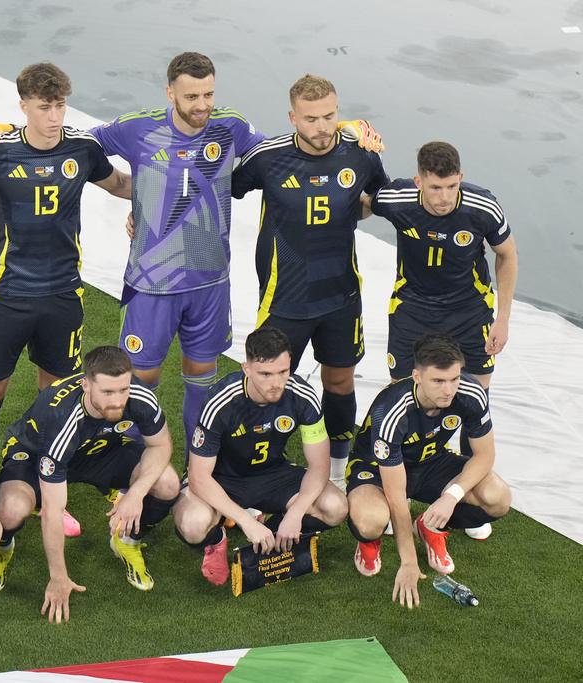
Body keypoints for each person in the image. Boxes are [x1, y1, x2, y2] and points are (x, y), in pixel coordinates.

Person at [94, 55, 381, 466]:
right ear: (170, 93)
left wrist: (344, 129)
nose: (202, 104)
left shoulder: (231, 126)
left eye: (208, 94)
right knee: (141, 380)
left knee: (202, 378)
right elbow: (80, 147)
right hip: (152, 280)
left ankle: (197, 469)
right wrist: (134, 194)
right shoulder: (136, 127)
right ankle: (133, 468)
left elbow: (288, 152)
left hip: (210, 280)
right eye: (192, 96)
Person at [0, 62, 131, 443]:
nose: (54, 117)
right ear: (24, 106)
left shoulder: (82, 149)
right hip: (7, 294)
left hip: (62, 294)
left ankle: (42, 465)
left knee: (55, 395)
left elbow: (119, 184)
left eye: (60, 106)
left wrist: (170, 188)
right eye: (44, 107)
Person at [230, 74, 390, 488]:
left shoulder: (361, 154)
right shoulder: (267, 158)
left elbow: (379, 199)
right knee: (267, 383)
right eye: (311, 119)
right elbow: (220, 189)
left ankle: (337, 469)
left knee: (339, 381)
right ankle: (254, 467)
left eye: (330, 116)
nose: (322, 127)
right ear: (292, 118)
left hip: (341, 295)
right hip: (284, 298)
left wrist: (355, 207)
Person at [0, 346, 178, 623]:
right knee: (11, 509)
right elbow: (53, 511)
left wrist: (136, 494)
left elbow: (161, 445)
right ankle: (2, 547)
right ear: (86, 385)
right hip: (37, 454)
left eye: (123, 390)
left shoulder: (139, 395)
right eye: (107, 392)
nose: (118, 401)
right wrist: (58, 577)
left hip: (101, 449)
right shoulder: (62, 420)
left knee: (167, 483)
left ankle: (127, 540)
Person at [368, 142, 517, 477]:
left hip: (469, 310)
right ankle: (400, 477)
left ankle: (470, 482)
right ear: (418, 181)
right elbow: (363, 203)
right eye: (435, 187)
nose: (445, 197)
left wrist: (504, 318)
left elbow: (507, 254)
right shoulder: (397, 199)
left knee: (475, 393)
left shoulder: (482, 206)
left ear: (461, 178)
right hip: (413, 308)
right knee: (403, 392)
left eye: (452, 186)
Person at [345, 334, 511, 608]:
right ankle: (369, 541)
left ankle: (430, 525)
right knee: (371, 520)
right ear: (417, 377)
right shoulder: (391, 410)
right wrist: (409, 562)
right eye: (438, 381)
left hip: (432, 461)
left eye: (454, 379)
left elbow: (485, 456)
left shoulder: (471, 393)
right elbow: (397, 496)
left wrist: (451, 496)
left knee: (498, 497)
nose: (449, 390)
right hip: (376, 471)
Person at [173, 326, 347, 585]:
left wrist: (296, 513)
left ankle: (275, 529)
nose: (276, 383)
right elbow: (199, 477)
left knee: (336, 507)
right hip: (222, 479)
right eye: (265, 374)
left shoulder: (302, 396)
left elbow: (319, 466)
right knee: (193, 524)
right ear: (246, 369)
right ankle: (217, 540)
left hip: (273, 475)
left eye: (283, 372)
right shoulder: (221, 401)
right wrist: (245, 521)